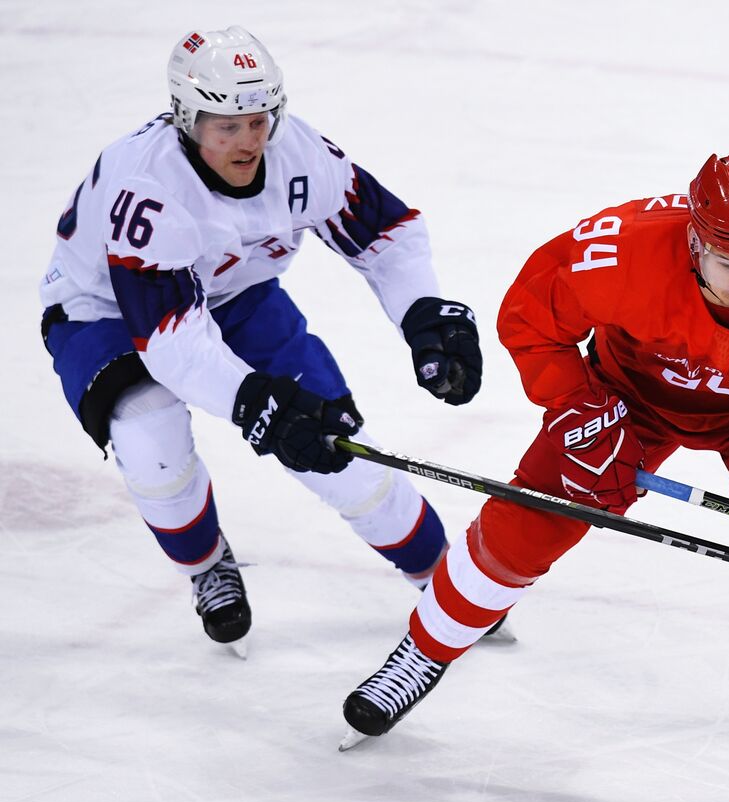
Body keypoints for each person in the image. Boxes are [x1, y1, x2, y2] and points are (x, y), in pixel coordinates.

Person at [340, 151, 729, 802]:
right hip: (627, 402)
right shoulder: (623, 253)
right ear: (694, 243)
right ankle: (426, 650)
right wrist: (581, 408)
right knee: (525, 526)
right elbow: (532, 317)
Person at [39, 26, 486, 656]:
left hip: (238, 294)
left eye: (259, 120)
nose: (250, 141)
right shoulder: (151, 189)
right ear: (187, 119)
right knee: (150, 436)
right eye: (227, 126)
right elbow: (171, 340)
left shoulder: (299, 155)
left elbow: (386, 230)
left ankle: (445, 584)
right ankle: (205, 564)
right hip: (104, 311)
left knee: (341, 449)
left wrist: (423, 315)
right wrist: (257, 405)